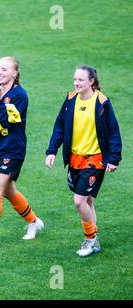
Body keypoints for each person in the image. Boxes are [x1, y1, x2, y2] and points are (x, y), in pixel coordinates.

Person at [45, 65, 122, 257]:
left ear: (91, 81)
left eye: (81, 80)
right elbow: (60, 126)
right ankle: (94, 241)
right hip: (75, 160)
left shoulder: (102, 102)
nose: (77, 83)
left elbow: (113, 131)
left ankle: (90, 239)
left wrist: (114, 158)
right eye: (75, 79)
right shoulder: (71, 99)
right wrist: (52, 150)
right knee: (88, 201)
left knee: (79, 201)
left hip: (95, 160)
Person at [0, 56, 44, 251]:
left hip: (12, 149)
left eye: (4, 69)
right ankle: (34, 222)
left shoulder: (20, 95)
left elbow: (8, 122)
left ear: (15, 73)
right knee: (8, 190)